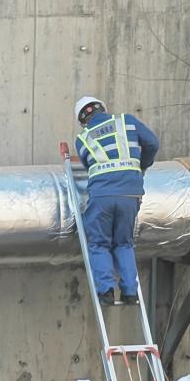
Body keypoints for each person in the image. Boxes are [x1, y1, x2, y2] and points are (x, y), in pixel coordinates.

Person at [73, 96, 160, 305]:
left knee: (99, 243)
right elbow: (153, 143)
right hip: (130, 194)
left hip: (102, 196)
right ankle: (130, 293)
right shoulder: (126, 121)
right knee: (124, 242)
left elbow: (88, 167)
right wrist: (141, 166)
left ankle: (106, 292)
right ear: (103, 108)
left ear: (83, 120)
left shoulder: (83, 138)